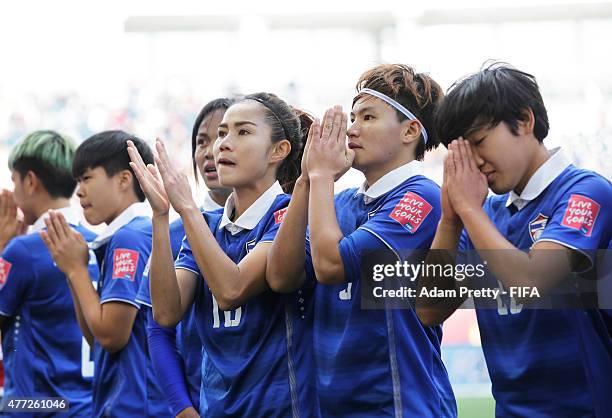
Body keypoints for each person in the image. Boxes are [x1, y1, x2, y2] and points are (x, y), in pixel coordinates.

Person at [416, 62, 612, 417]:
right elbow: (430, 309)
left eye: (478, 142)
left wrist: (469, 211)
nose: (474, 163)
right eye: (461, 153)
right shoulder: (485, 214)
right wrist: (450, 218)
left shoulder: (585, 191)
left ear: (524, 121)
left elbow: (531, 281)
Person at [267, 64, 456, 417]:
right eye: (352, 117)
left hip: (398, 406)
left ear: (410, 130)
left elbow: (331, 266)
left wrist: (322, 175)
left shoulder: (422, 197)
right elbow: (281, 276)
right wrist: (307, 179)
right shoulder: (339, 202)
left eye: (368, 117)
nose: (352, 129)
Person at [128, 93, 319, 416]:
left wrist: (186, 207)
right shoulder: (207, 224)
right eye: (221, 134)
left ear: (279, 150)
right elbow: (166, 313)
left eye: (242, 132)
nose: (222, 145)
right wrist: (161, 217)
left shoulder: (289, 214)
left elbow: (232, 290)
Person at [41, 131, 171, 417]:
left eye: (87, 178)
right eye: (77, 181)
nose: (79, 191)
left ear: (124, 179)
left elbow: (112, 336)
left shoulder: (131, 237)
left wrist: (76, 270)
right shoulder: (123, 235)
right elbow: (95, 336)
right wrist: (70, 269)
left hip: (137, 405)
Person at [135, 97, 234, 417]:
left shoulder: (277, 222)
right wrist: (182, 408)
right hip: (200, 401)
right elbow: (158, 329)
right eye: (200, 141)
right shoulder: (172, 232)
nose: (209, 151)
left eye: (221, 137)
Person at [0, 130, 97, 416]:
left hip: (38, 407)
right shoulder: (98, 241)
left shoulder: (24, 251)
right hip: (90, 404)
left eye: (14, 180)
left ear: (30, 181)